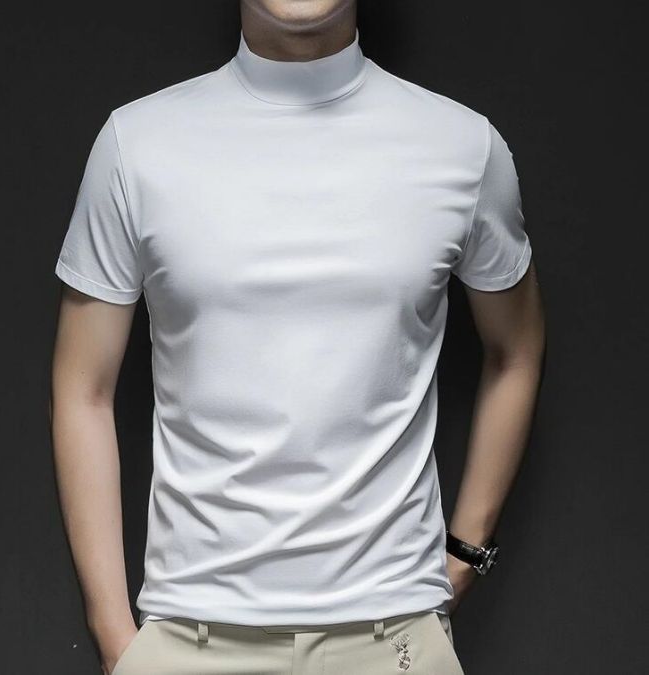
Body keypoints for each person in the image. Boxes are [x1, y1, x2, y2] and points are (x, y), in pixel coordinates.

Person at [50, 1, 546, 673]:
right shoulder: (135, 145)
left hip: (396, 637)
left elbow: (517, 349)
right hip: (190, 634)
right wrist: (114, 633)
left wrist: (463, 554)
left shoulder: (462, 147)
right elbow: (83, 387)